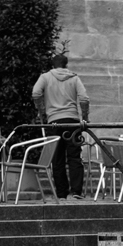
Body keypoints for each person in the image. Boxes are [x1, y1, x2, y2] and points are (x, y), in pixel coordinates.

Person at [32, 53, 91, 199]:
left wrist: (42, 112)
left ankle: (61, 193)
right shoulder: (74, 78)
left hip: (54, 122)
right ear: (66, 65)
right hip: (72, 122)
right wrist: (85, 118)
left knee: (57, 159)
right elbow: (84, 98)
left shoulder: (45, 77)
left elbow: (35, 93)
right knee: (75, 157)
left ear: (53, 65)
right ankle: (76, 192)